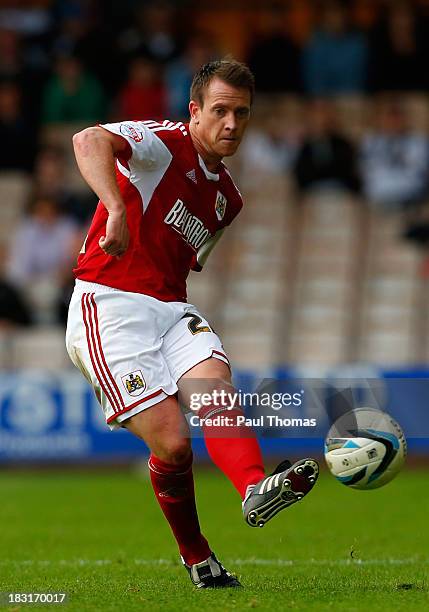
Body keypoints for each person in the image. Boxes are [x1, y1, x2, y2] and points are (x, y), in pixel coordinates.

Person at [66, 59, 319, 589]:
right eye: (220, 110)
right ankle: (198, 556)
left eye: (241, 113)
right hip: (110, 305)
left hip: (172, 306)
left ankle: (254, 488)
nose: (231, 123)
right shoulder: (161, 144)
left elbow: (187, 258)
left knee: (214, 390)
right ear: (195, 111)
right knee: (175, 446)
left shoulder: (229, 199)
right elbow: (87, 139)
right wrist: (114, 206)